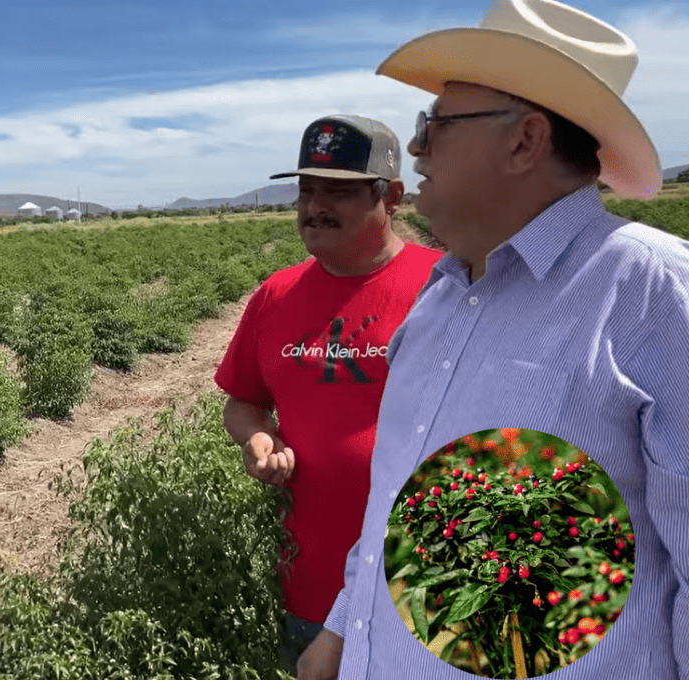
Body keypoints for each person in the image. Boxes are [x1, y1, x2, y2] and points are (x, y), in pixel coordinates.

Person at [295, 1, 689, 679]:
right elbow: (398, 499)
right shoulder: (440, 299)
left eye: (436, 125)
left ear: (524, 140)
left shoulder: (654, 294)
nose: (416, 147)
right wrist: (343, 631)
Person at [213, 114, 443, 671]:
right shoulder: (276, 294)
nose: (315, 205)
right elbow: (243, 401)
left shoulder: (446, 287)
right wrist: (258, 439)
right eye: (307, 190)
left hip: (428, 584)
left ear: (390, 197)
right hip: (310, 585)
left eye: (337, 191)